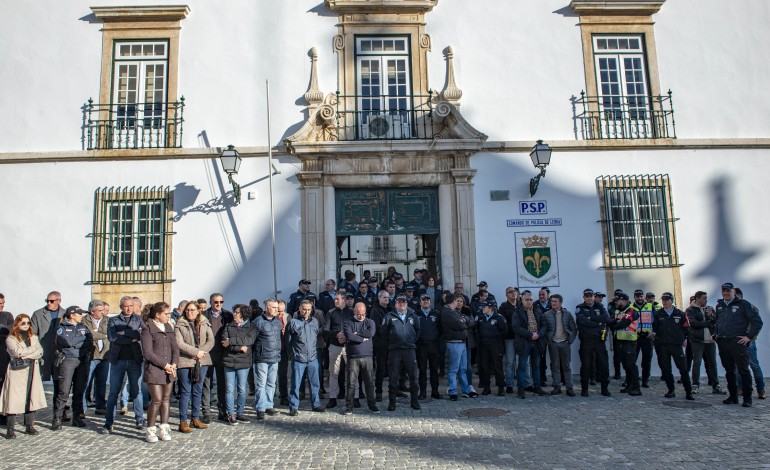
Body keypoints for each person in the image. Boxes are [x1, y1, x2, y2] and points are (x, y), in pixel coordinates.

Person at [714, 282, 763, 407]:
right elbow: (717, 322)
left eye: (728, 291)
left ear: (733, 292)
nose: (725, 293)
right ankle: (733, 396)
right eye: (723, 290)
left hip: (738, 342)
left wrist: (749, 337)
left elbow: (757, 322)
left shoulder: (744, 304)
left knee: (743, 370)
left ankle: (747, 398)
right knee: (729, 371)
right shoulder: (719, 305)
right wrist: (716, 334)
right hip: (723, 342)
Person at [101, 296, 145, 434]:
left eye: (131, 306)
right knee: (114, 392)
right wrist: (132, 337)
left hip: (134, 360)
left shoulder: (138, 319)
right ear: (121, 307)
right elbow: (113, 337)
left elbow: (142, 335)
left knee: (137, 391)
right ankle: (109, 423)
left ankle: (139, 420)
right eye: (126, 306)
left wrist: (124, 333)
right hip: (117, 360)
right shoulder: (113, 320)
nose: (128, 308)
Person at [0, 314, 46, 439]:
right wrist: (32, 351)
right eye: (23, 323)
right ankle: (10, 429)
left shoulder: (34, 337)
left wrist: (28, 352)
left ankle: (29, 425)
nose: (26, 325)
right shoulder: (11, 338)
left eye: (28, 323)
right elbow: (17, 352)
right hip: (17, 372)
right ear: (17, 324)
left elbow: (40, 351)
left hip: (32, 370)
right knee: (13, 399)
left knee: (30, 397)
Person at [141, 302, 179, 443]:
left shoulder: (169, 327)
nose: (169, 316)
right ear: (157, 314)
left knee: (166, 399)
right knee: (156, 400)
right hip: (155, 370)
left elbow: (175, 349)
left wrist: (174, 364)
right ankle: (150, 430)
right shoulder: (147, 329)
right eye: (166, 314)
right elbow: (148, 353)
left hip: (169, 369)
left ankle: (164, 427)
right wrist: (165, 365)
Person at [175, 300, 213, 433]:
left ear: (198, 311)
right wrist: (195, 352)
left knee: (198, 391)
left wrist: (201, 352)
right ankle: (183, 421)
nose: (189, 312)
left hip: (201, 361)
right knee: (186, 392)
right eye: (187, 310)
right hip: (185, 360)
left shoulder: (204, 322)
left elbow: (211, 340)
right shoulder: (179, 324)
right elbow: (179, 343)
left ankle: (195, 418)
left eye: (192, 310)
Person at [52, 306, 92, 430]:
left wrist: (75, 342)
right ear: (71, 315)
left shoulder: (83, 327)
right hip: (68, 360)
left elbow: (89, 341)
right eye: (79, 314)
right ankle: (57, 417)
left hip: (82, 360)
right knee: (63, 391)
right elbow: (66, 342)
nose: (81, 316)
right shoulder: (62, 328)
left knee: (79, 390)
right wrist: (79, 341)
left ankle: (77, 416)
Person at [382, 295, 421, 411]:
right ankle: (392, 403)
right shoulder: (389, 316)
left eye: (404, 302)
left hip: (409, 349)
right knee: (393, 377)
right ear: (395, 304)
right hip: (395, 350)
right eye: (399, 302)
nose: (402, 304)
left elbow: (418, 331)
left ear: (407, 304)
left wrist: (411, 341)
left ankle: (414, 401)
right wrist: (392, 343)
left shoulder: (413, 316)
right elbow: (384, 332)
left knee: (413, 377)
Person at [652, 292, 694, 400]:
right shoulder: (658, 314)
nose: (665, 302)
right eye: (663, 300)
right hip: (663, 345)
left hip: (676, 345)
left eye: (667, 300)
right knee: (666, 369)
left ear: (672, 300)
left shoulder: (680, 313)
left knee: (683, 369)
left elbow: (686, 328)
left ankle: (688, 391)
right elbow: (655, 328)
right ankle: (671, 390)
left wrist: (684, 339)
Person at [287, 300, 325, 415]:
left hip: (313, 358)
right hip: (298, 358)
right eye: (304, 309)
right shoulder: (293, 322)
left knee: (315, 383)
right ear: (299, 308)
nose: (306, 312)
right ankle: (294, 406)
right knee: (296, 384)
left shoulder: (315, 321)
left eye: (309, 310)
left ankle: (316, 404)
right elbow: (288, 341)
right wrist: (292, 355)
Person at [220, 304, 256, 424]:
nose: (234, 314)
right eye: (234, 311)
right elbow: (224, 342)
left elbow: (249, 341)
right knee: (230, 389)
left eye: (237, 312)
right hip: (229, 361)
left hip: (243, 362)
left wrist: (231, 342)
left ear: (243, 314)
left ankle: (240, 413)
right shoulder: (228, 326)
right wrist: (239, 347)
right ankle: (231, 413)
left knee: (242, 389)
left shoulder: (251, 327)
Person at [342, 302, 379, 414]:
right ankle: (349, 406)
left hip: (367, 356)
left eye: (363, 314)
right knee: (351, 383)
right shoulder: (348, 322)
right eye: (359, 314)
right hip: (353, 356)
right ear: (354, 312)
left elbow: (371, 333)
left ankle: (372, 405)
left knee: (369, 382)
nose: (361, 316)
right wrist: (362, 339)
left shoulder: (370, 322)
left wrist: (356, 334)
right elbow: (349, 336)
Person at [440, 293, 478, 401]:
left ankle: (466, 390)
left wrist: (464, 322)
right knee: (454, 369)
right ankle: (453, 391)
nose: (459, 303)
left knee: (463, 368)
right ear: (454, 301)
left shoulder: (454, 312)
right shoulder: (447, 312)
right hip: (454, 343)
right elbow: (459, 325)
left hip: (462, 342)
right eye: (457, 301)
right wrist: (464, 323)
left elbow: (471, 321)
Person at [202, 292, 232, 423]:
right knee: (206, 383)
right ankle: (206, 411)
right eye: (216, 302)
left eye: (221, 302)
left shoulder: (227, 315)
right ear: (211, 303)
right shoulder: (203, 316)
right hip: (207, 353)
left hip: (222, 353)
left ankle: (222, 411)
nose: (218, 304)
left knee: (222, 383)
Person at [685, 291, 723, 395]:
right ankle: (695, 385)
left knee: (712, 363)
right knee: (697, 363)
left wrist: (711, 317)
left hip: (710, 340)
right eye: (704, 298)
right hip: (697, 340)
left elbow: (715, 322)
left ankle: (716, 385)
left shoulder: (709, 309)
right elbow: (693, 324)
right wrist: (708, 322)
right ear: (697, 299)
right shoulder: (690, 310)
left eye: (706, 298)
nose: (706, 300)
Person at [511, 291, 547, 399]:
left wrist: (538, 334)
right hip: (524, 342)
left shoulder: (537, 310)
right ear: (522, 300)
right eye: (527, 300)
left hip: (537, 342)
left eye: (531, 299)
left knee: (536, 367)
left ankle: (537, 388)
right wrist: (530, 335)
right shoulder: (517, 312)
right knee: (522, 367)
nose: (529, 302)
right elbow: (516, 327)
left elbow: (544, 325)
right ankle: (521, 390)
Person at [575, 289, 611, 397]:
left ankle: (604, 388)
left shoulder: (599, 306)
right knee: (586, 365)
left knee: (604, 364)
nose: (589, 298)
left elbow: (605, 318)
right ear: (584, 297)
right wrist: (598, 323)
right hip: (586, 340)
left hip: (599, 340)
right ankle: (584, 389)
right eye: (587, 296)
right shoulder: (579, 307)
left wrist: (591, 319)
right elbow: (582, 322)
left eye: (591, 296)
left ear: (593, 297)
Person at [734, 288, 766, 400]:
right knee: (739, 367)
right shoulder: (734, 308)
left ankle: (760, 390)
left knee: (754, 365)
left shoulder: (750, 307)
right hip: (737, 341)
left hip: (749, 341)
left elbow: (756, 324)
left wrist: (750, 337)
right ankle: (741, 389)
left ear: (740, 296)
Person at [252, 299, 281, 420]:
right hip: (262, 358)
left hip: (274, 357)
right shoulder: (258, 322)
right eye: (274, 308)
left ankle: (269, 405)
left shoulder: (277, 322)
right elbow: (252, 340)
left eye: (277, 308)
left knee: (271, 383)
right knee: (261, 384)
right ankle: (260, 408)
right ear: (267, 308)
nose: (276, 310)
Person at [543, 294, 577, 396]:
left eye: (555, 301)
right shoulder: (546, 314)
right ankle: (556, 387)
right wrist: (548, 341)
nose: (553, 303)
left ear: (560, 303)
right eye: (552, 301)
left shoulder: (567, 314)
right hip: (553, 343)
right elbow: (544, 329)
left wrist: (569, 340)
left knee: (566, 366)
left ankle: (569, 388)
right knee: (555, 366)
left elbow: (573, 329)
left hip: (564, 343)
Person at [324, 291, 353, 409]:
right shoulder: (330, 313)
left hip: (349, 347)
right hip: (335, 346)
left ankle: (353, 398)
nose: (335, 301)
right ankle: (332, 398)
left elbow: (355, 328)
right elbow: (325, 330)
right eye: (334, 299)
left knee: (352, 373)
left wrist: (346, 336)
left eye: (337, 299)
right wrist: (336, 334)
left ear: (344, 300)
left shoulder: (351, 313)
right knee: (333, 373)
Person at [608, 293, 641, 396]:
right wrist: (613, 324)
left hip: (629, 341)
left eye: (617, 300)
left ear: (624, 301)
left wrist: (614, 325)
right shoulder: (619, 311)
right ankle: (629, 385)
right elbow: (611, 321)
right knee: (626, 365)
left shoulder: (631, 310)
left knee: (631, 365)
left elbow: (623, 323)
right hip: (620, 340)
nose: (616, 302)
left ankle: (636, 387)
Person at [30, 291, 65, 385]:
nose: (48, 303)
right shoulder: (38, 314)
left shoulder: (65, 314)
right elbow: (32, 333)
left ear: (59, 301)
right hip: (43, 352)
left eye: (51, 301)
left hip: (59, 353)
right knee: (38, 383)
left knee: (59, 383)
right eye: (47, 301)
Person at [82, 299, 110, 414]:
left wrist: (98, 333)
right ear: (92, 312)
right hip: (91, 356)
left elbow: (111, 333)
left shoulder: (107, 320)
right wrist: (104, 335)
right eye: (99, 310)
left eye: (103, 310)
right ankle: (82, 407)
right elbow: (90, 335)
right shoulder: (84, 321)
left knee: (101, 383)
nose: (102, 312)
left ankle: (100, 405)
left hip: (104, 355)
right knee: (86, 382)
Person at [476, 300, 507, 396]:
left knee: (497, 367)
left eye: (484, 307)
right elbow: (477, 330)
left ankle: (501, 388)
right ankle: (486, 387)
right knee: (485, 367)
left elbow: (504, 331)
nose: (482, 308)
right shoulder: (480, 317)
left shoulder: (499, 318)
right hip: (483, 345)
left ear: (490, 308)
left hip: (496, 345)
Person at [415, 293, 442, 400]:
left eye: (427, 300)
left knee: (434, 370)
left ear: (430, 302)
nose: (426, 302)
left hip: (433, 345)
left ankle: (435, 391)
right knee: (422, 370)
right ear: (420, 302)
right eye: (424, 300)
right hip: (421, 346)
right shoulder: (416, 314)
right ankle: (422, 392)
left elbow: (440, 329)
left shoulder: (436, 313)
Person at [630, 289, 657, 388]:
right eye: (637, 296)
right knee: (632, 360)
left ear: (644, 297)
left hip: (647, 337)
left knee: (647, 360)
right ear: (634, 297)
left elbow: (656, 321)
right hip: (635, 337)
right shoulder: (631, 307)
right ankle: (632, 379)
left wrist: (654, 332)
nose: (640, 298)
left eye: (641, 296)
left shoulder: (650, 306)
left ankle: (645, 380)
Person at [370, 290, 391, 402]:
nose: (386, 299)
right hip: (380, 343)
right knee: (381, 368)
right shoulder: (375, 311)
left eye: (387, 297)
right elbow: (378, 327)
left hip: (392, 344)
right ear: (379, 298)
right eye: (384, 297)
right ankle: (379, 391)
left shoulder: (391, 309)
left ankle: (394, 389)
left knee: (393, 368)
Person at [498, 287, 520, 394]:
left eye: (514, 291)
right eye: (510, 292)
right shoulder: (503, 307)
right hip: (510, 337)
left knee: (523, 362)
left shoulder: (522, 305)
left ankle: (524, 383)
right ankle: (510, 384)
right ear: (506, 295)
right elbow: (504, 323)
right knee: (510, 362)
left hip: (522, 337)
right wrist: (516, 329)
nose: (513, 293)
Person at [0, 294, 14, 426]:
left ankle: (3, 414)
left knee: (3, 385)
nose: (2, 305)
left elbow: (9, 329)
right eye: (0, 303)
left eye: (3, 303)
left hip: (3, 356)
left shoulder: (7, 315)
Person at [276, 300, 292, 407]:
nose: (281, 314)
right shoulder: (272, 317)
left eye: (282, 311)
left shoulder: (288, 317)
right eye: (279, 312)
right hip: (273, 349)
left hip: (283, 350)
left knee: (283, 375)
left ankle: (284, 396)